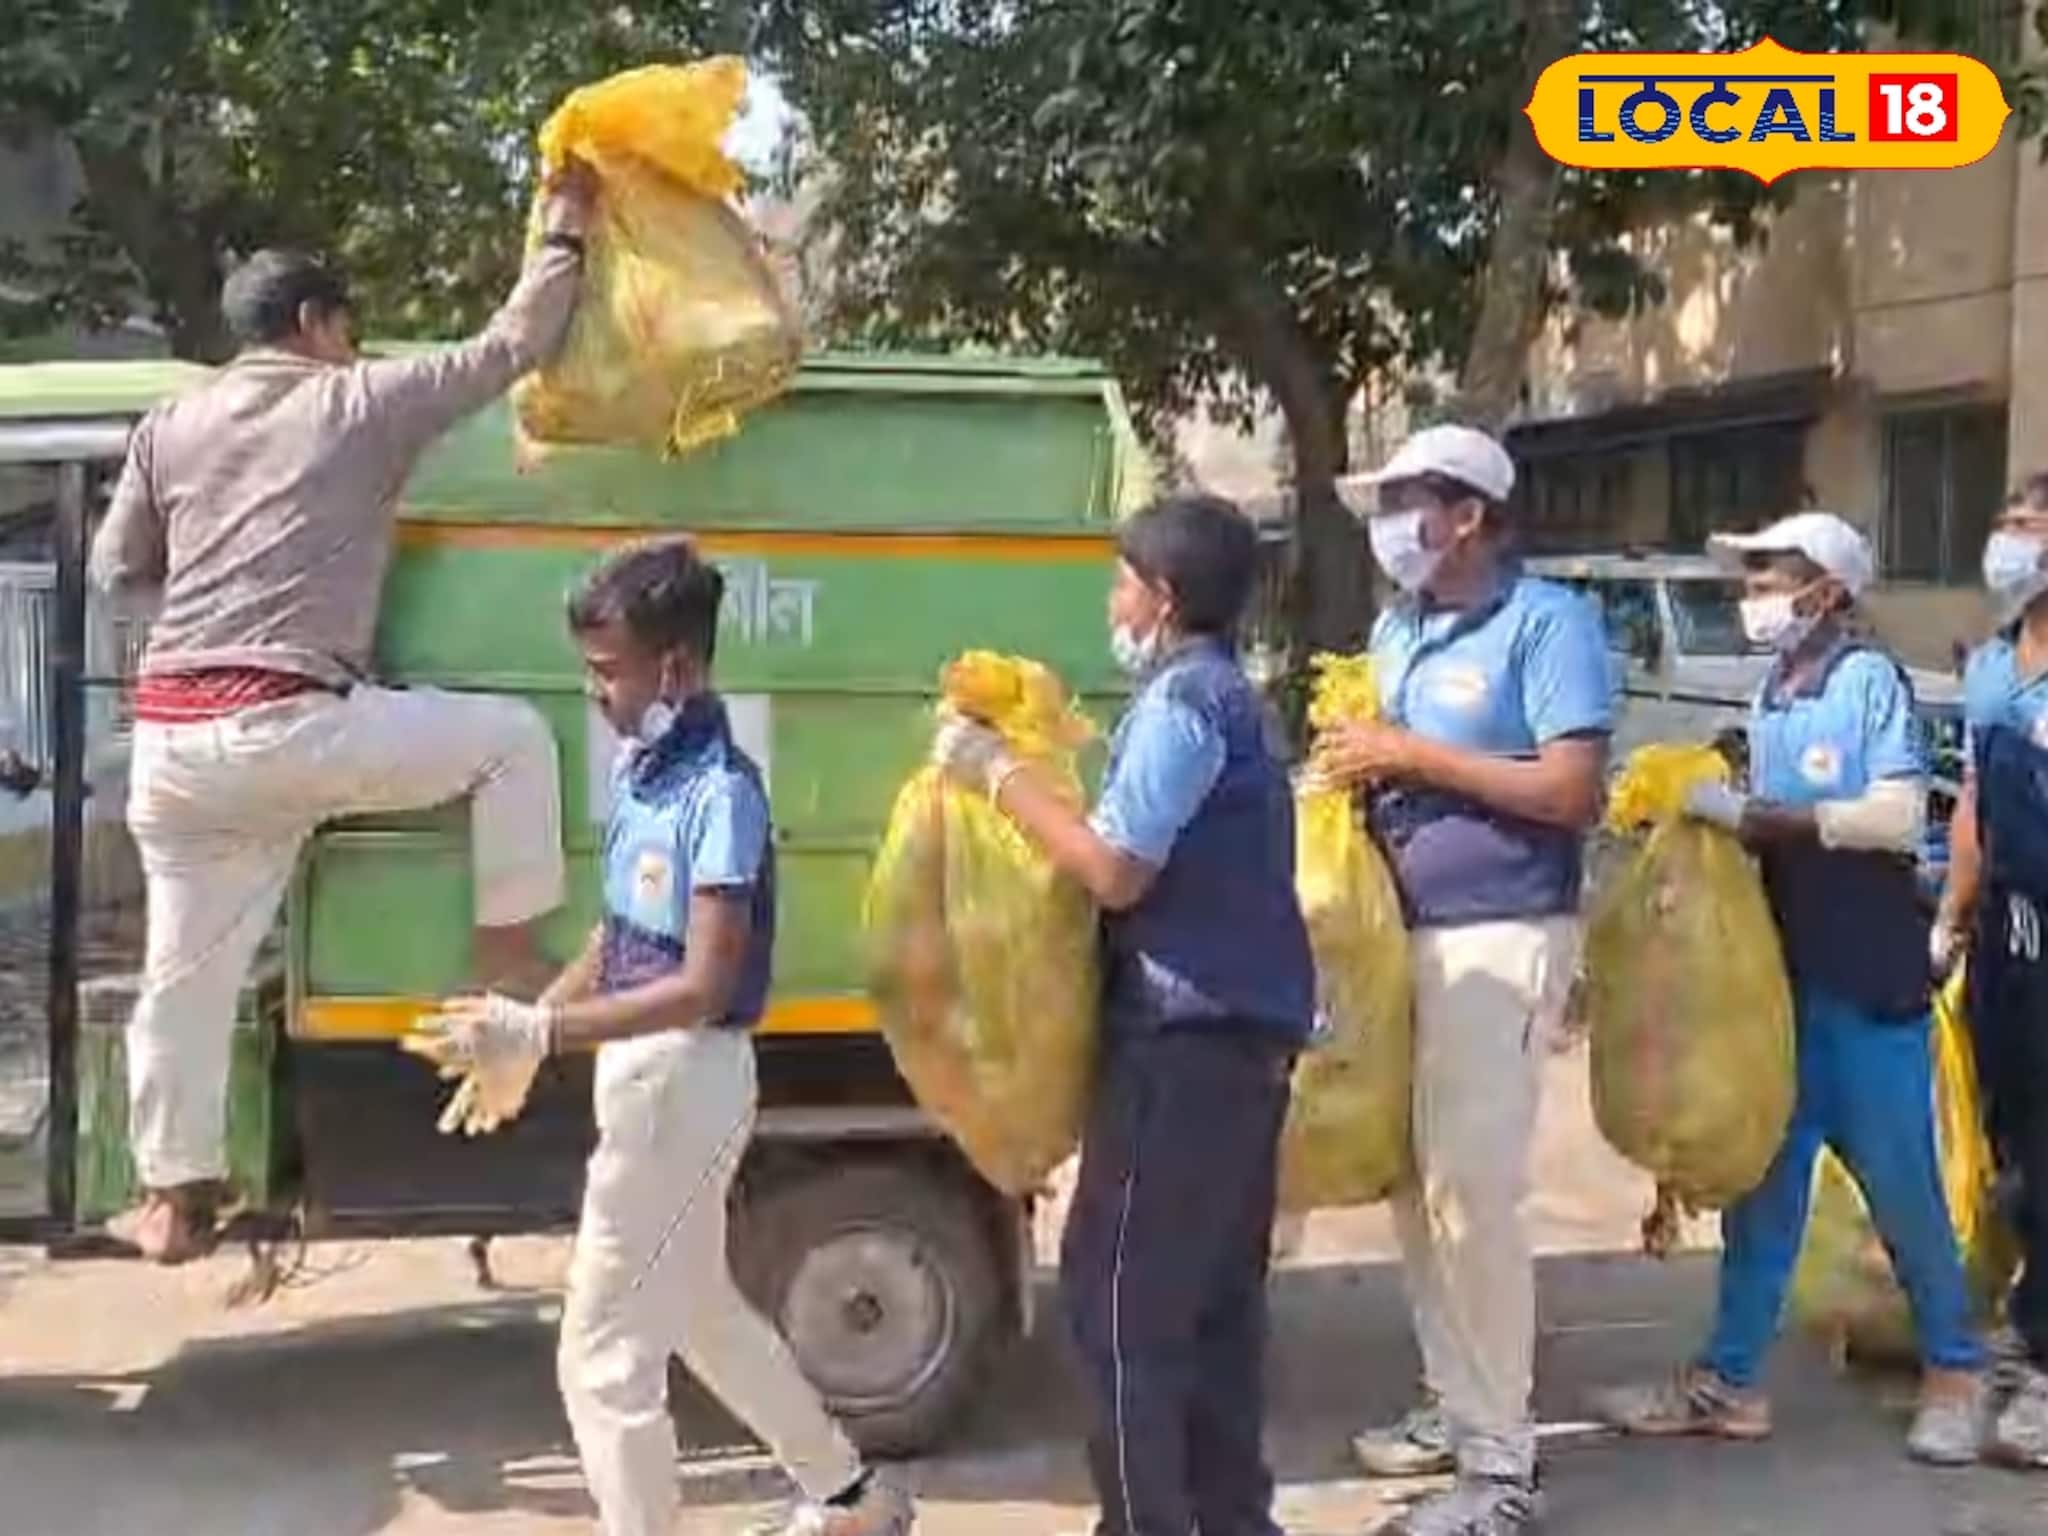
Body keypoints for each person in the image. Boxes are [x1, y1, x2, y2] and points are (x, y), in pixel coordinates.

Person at [89, 162, 598, 1263]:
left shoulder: (168, 426)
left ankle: (174, 1195)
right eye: (348, 329)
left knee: (180, 986)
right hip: (291, 726)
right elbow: (514, 344)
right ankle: (506, 960)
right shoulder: (357, 401)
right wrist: (564, 226)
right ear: (317, 324)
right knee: (513, 742)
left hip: (172, 747)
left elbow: (114, 568)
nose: (354, 345)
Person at [411, 539, 913, 1536]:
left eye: (608, 672)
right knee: (699, 1314)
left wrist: (542, 1029)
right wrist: (527, 1037)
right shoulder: (645, 775)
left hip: (683, 1080)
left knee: (601, 1353)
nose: (593, 692)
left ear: (675, 669)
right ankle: (850, 1498)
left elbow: (702, 982)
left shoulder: (722, 794)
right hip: (653, 1082)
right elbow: (623, 938)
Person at [933, 493, 1315, 1536]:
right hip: (1242, 1042)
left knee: (1119, 1309)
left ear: (1163, 597)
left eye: (1122, 583)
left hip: (1184, 1047)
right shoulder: (1235, 697)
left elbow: (1114, 869)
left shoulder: (1185, 704)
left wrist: (996, 775)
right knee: (1214, 1311)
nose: (1113, 603)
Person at [1594, 512, 1987, 1464]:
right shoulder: (1774, 688)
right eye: (1754, 578)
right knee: (1761, 1195)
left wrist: (1764, 818)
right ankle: (1727, 1382)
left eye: (1772, 578)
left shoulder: (1866, 681)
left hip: (1868, 984)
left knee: (1903, 1191)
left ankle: (1957, 1371)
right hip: (1780, 990)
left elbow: (1896, 814)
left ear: (1829, 590)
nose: (1756, 595)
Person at [1318, 425, 1610, 1536]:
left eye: (1406, 505)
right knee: (1416, 1187)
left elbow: (1571, 791)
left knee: (1471, 1193)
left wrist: (1410, 756)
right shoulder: (1399, 628)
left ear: (1470, 516)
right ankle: (1455, 1404)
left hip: (1502, 930)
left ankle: (1499, 1464)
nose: (1390, 530)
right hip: (1402, 933)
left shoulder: (1547, 624)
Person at [1936, 476, 2048, 1467]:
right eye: (2004, 523)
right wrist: (1950, 917)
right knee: (2012, 1141)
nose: (2008, 544)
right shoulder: (1988, 668)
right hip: (2007, 937)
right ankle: (2027, 1325)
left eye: (2029, 527)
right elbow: (1973, 801)